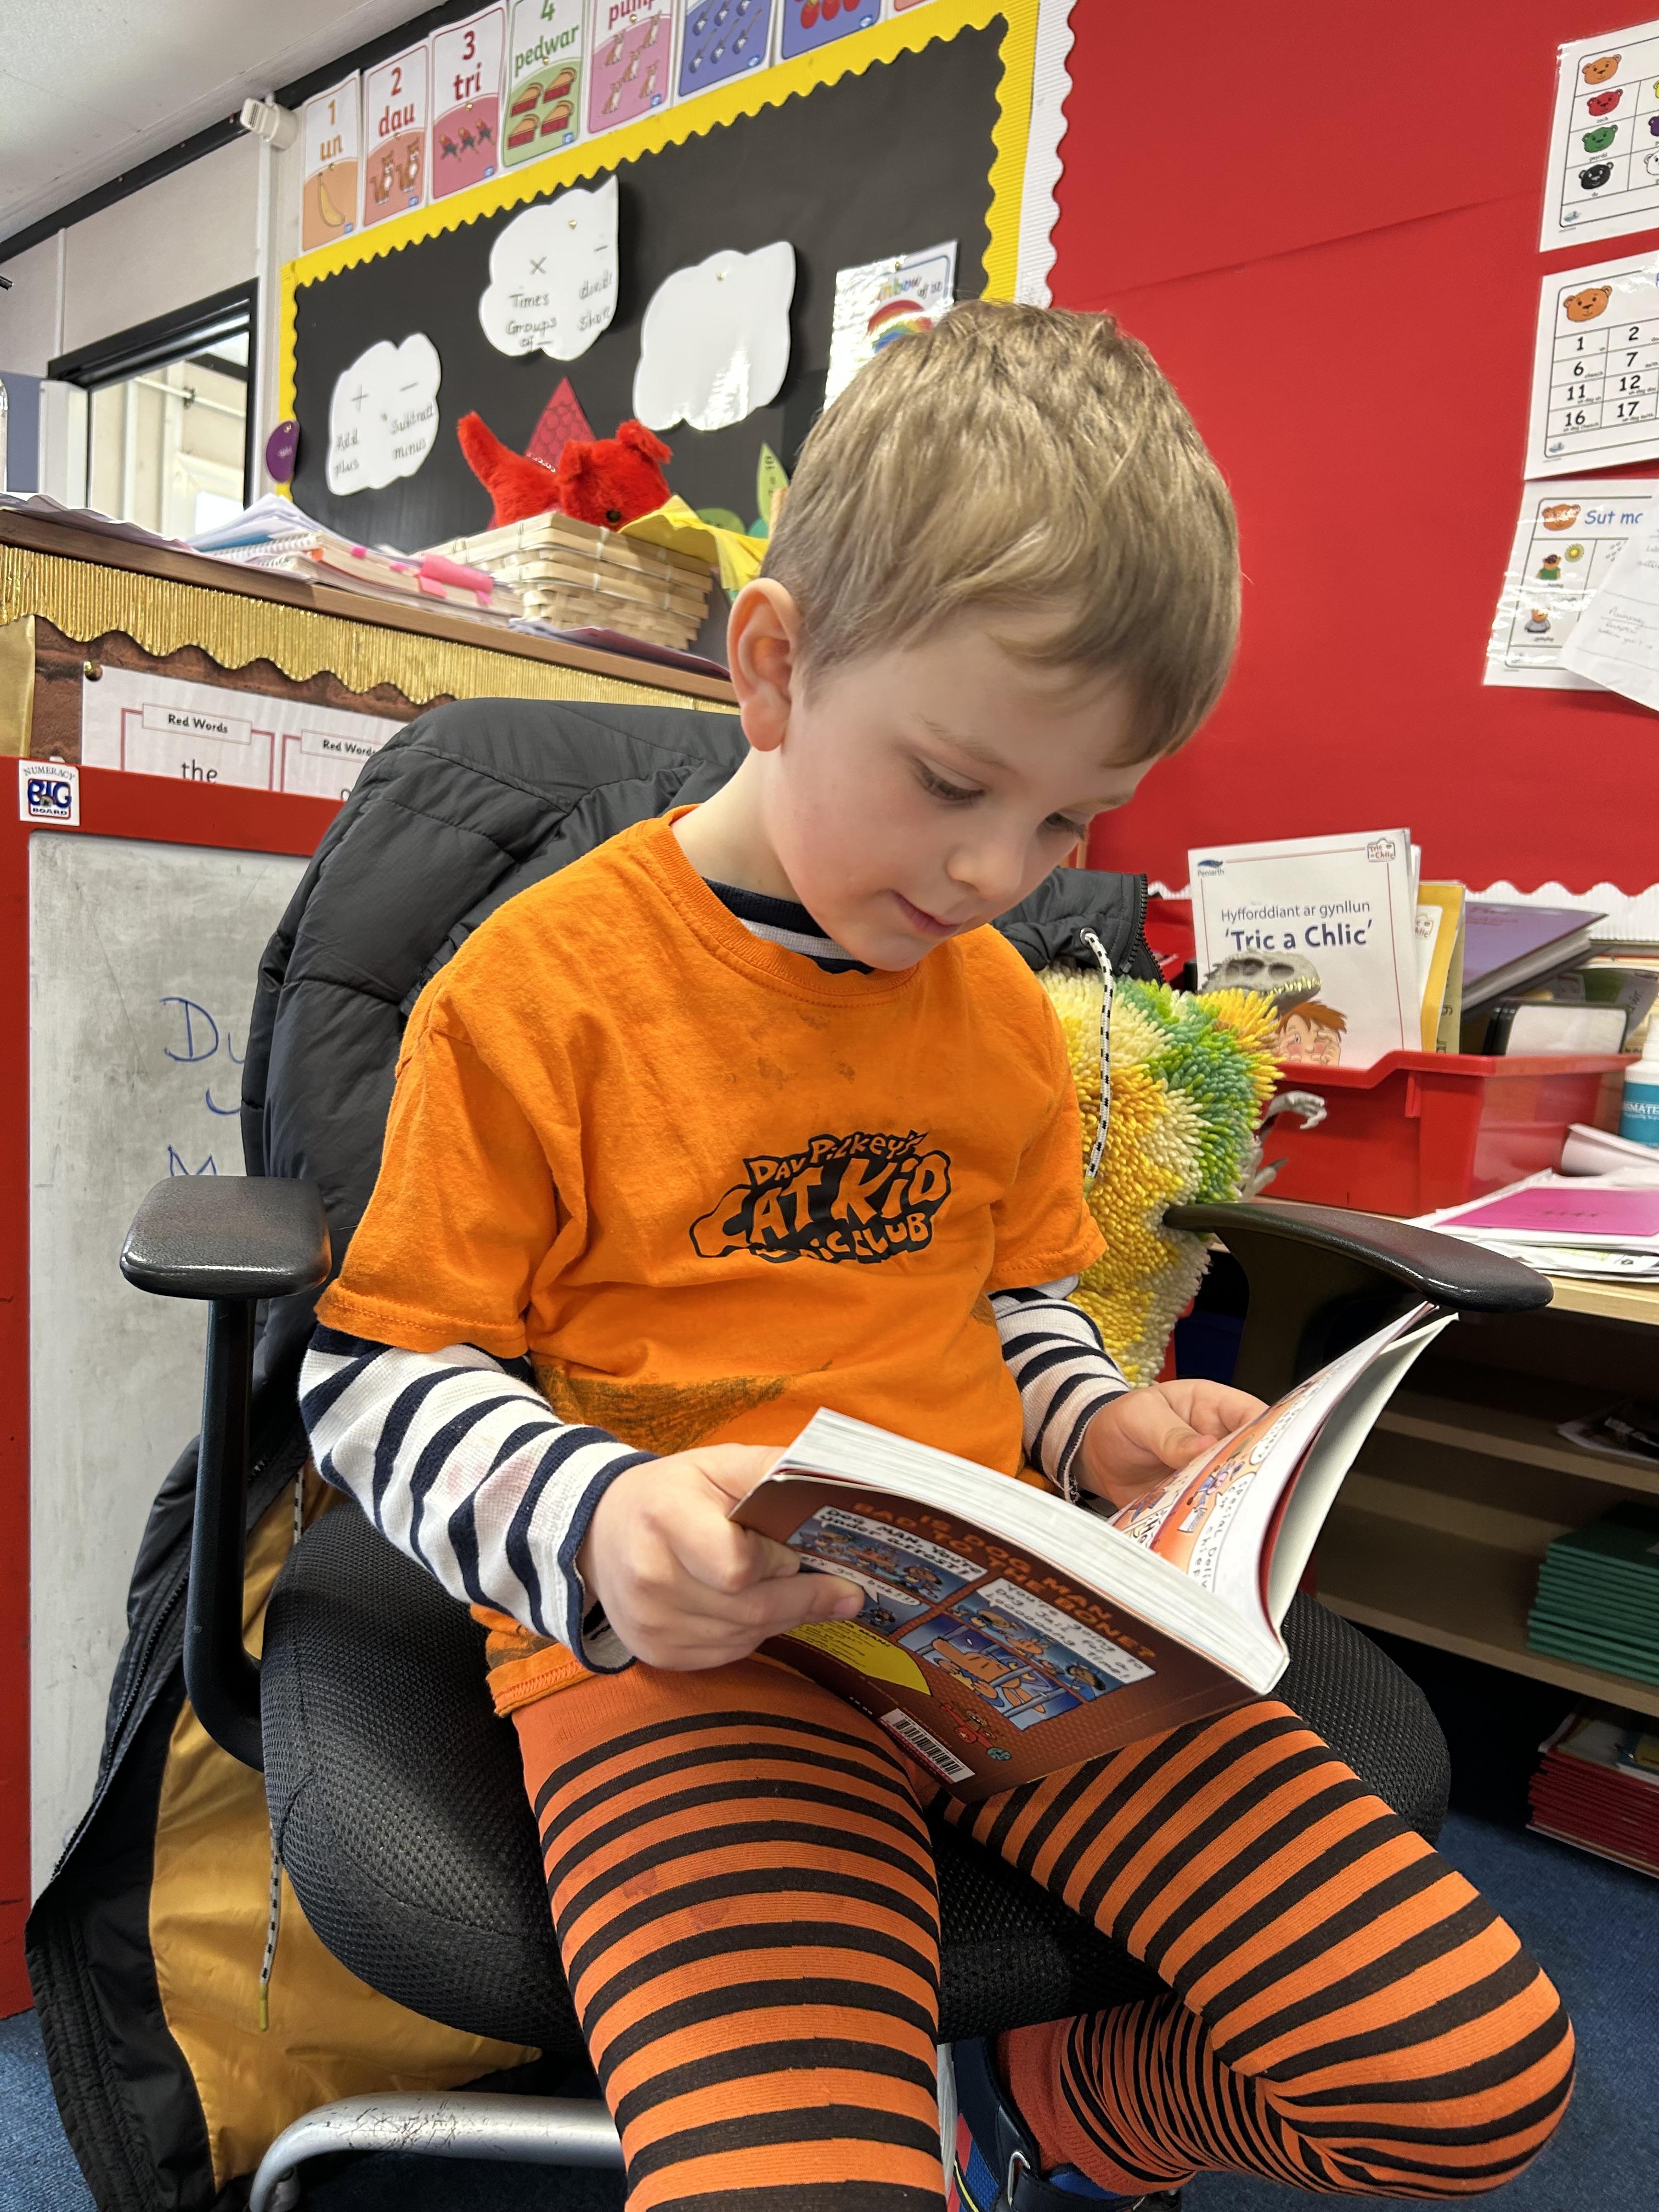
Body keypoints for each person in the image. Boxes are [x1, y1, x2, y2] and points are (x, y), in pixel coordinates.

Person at [300, 303, 1572, 2212]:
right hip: (691, 1656)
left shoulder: (990, 1012)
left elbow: (1011, 1296)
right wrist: (600, 1524)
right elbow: (374, 1378)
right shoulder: (543, 989)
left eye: (1067, 817)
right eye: (955, 785)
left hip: (1003, 1623)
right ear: (774, 666)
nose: (997, 873)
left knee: (1474, 2082)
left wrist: (1096, 1426)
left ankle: (1071, 2112)